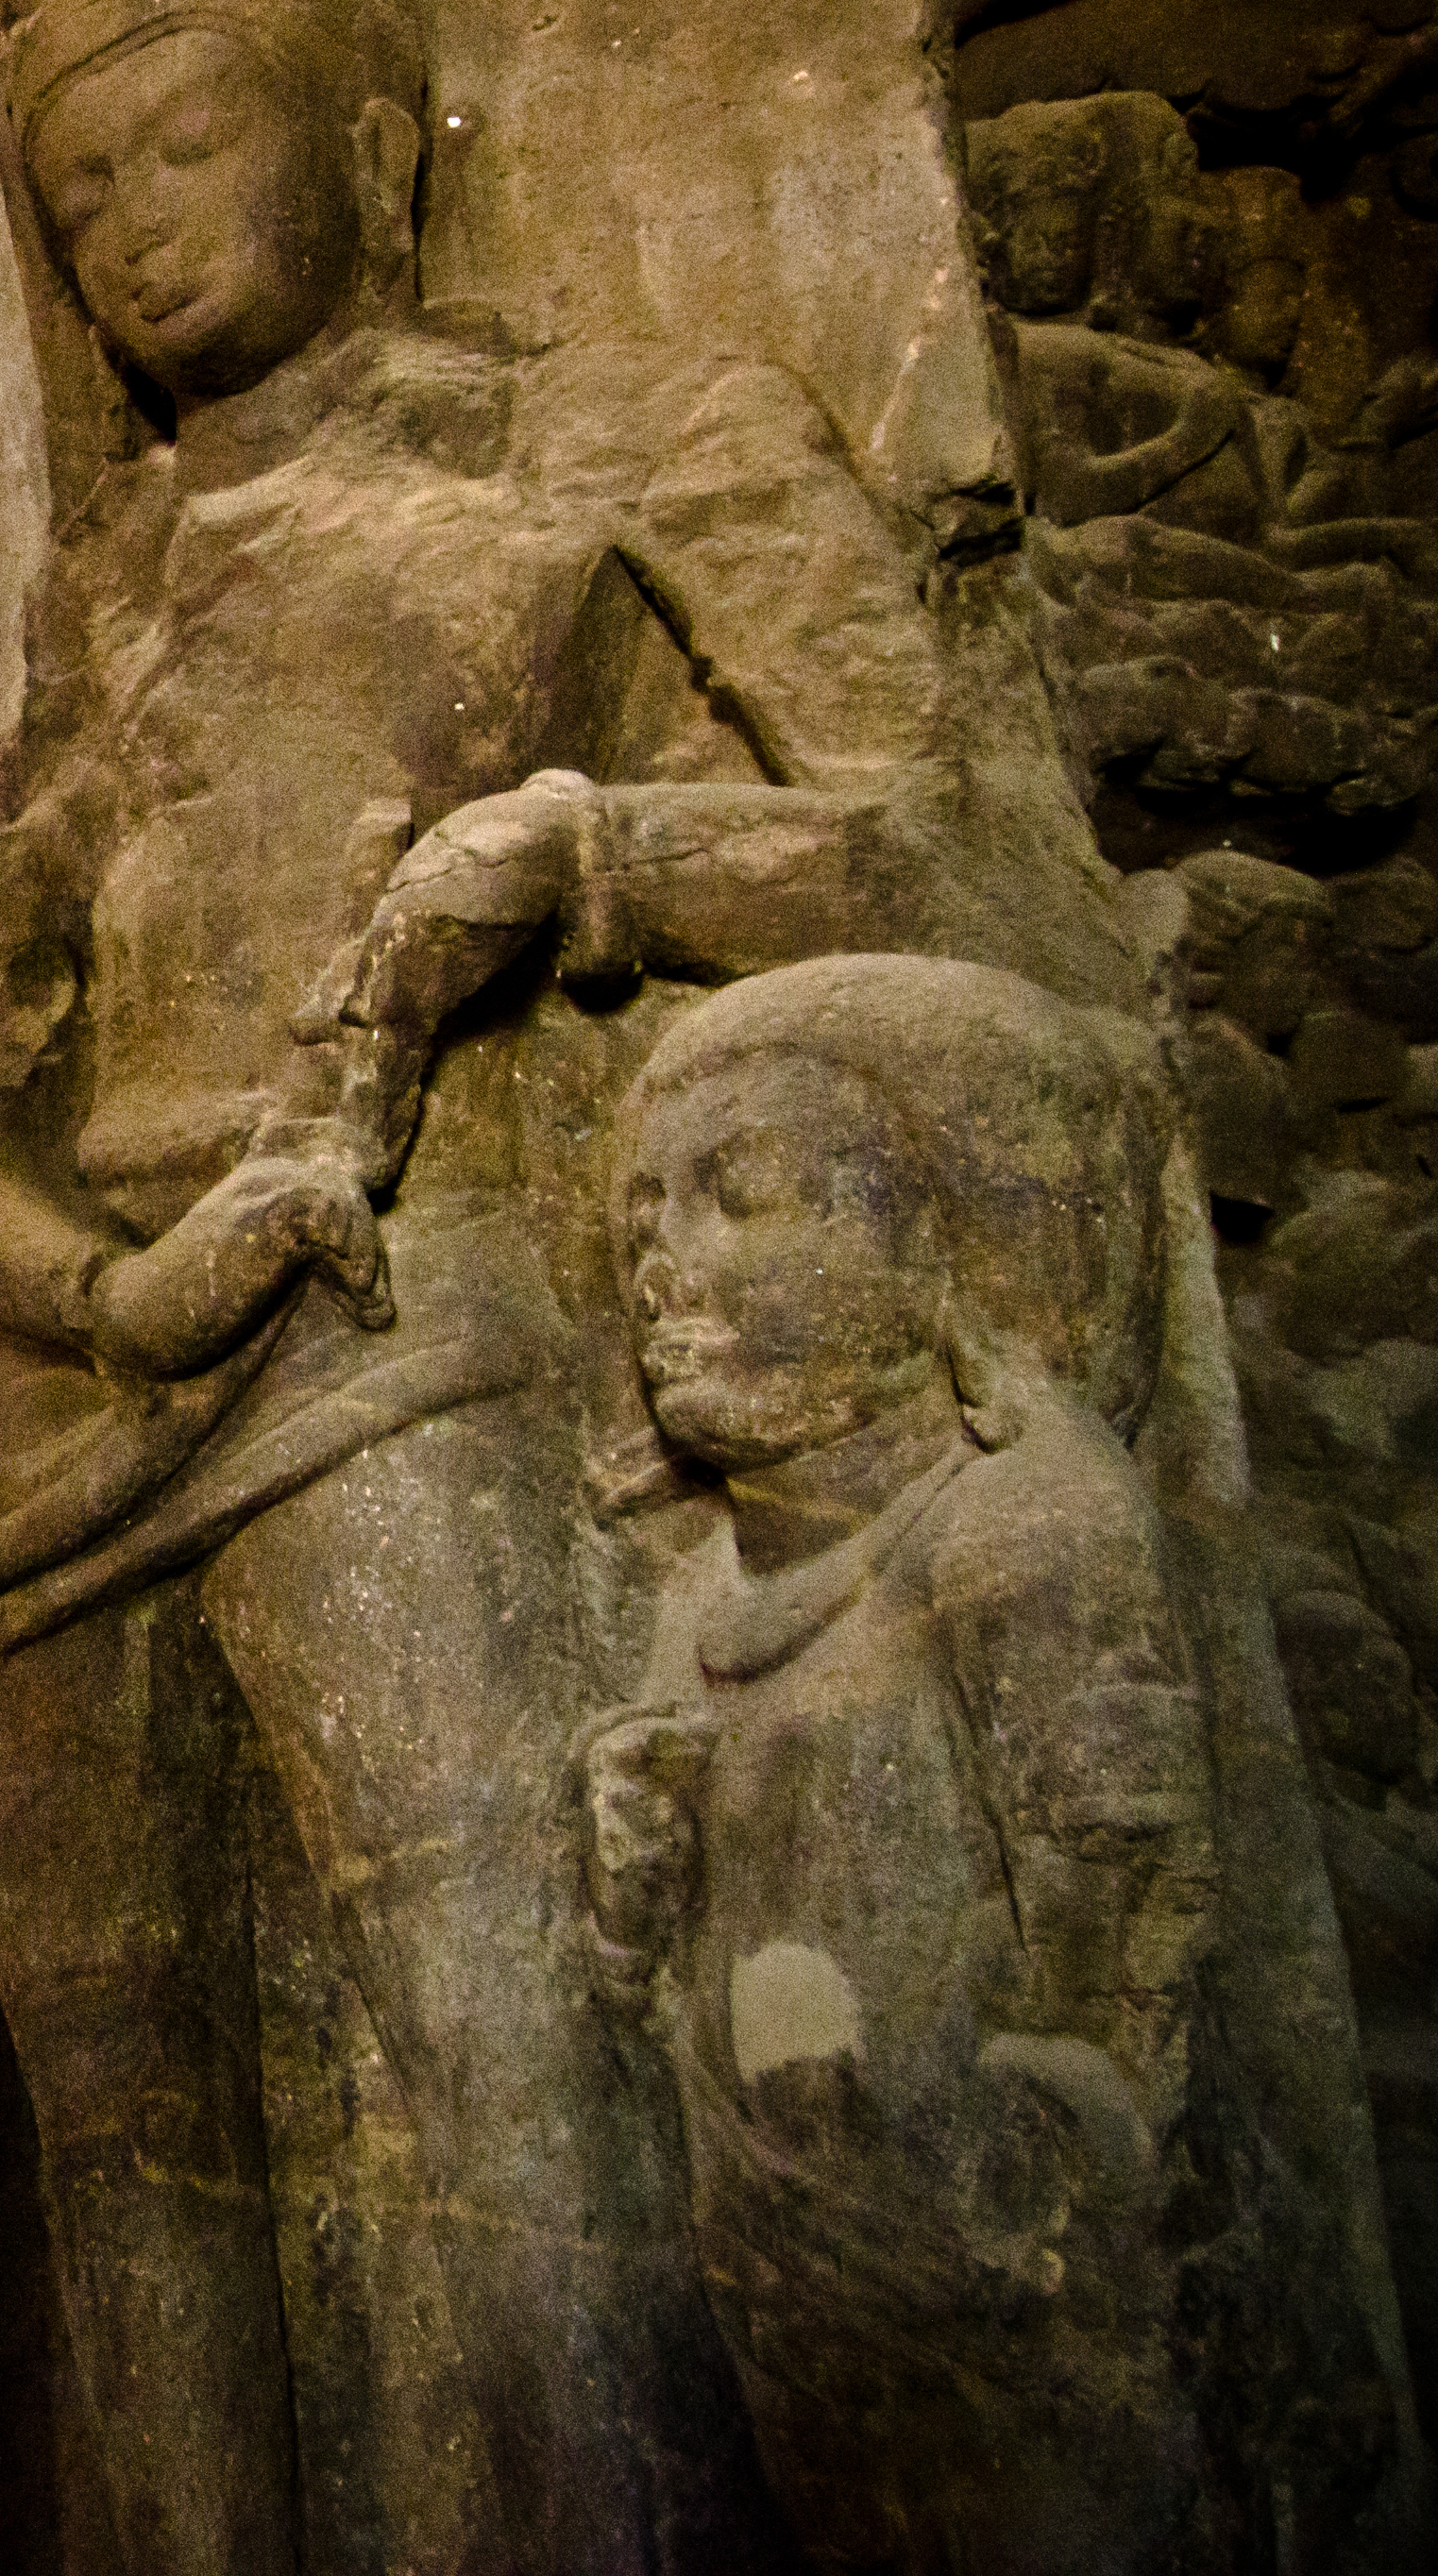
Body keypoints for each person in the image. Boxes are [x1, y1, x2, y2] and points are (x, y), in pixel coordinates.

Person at [0, 0, 1139, 2575]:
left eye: (191, 143)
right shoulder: (113, 581)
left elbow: (963, 855)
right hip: (65, 1390)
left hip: (394, 1328)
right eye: (78, 194)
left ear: (376, 143)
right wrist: (103, 1296)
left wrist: (583, 854)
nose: (132, 231)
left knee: (517, 2099)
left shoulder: (623, 439)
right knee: (127, 2177)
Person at [584, 957, 1230, 2570]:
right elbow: (648, 1981)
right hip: (778, 2276)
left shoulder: (1016, 1521)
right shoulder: (694, 1598)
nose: (665, 1263)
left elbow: (1134, 1913)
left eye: (745, 1195)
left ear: (945, 1238)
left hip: (1006, 2291)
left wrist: (1056, 2167)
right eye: (648, 1213)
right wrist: (633, 1886)